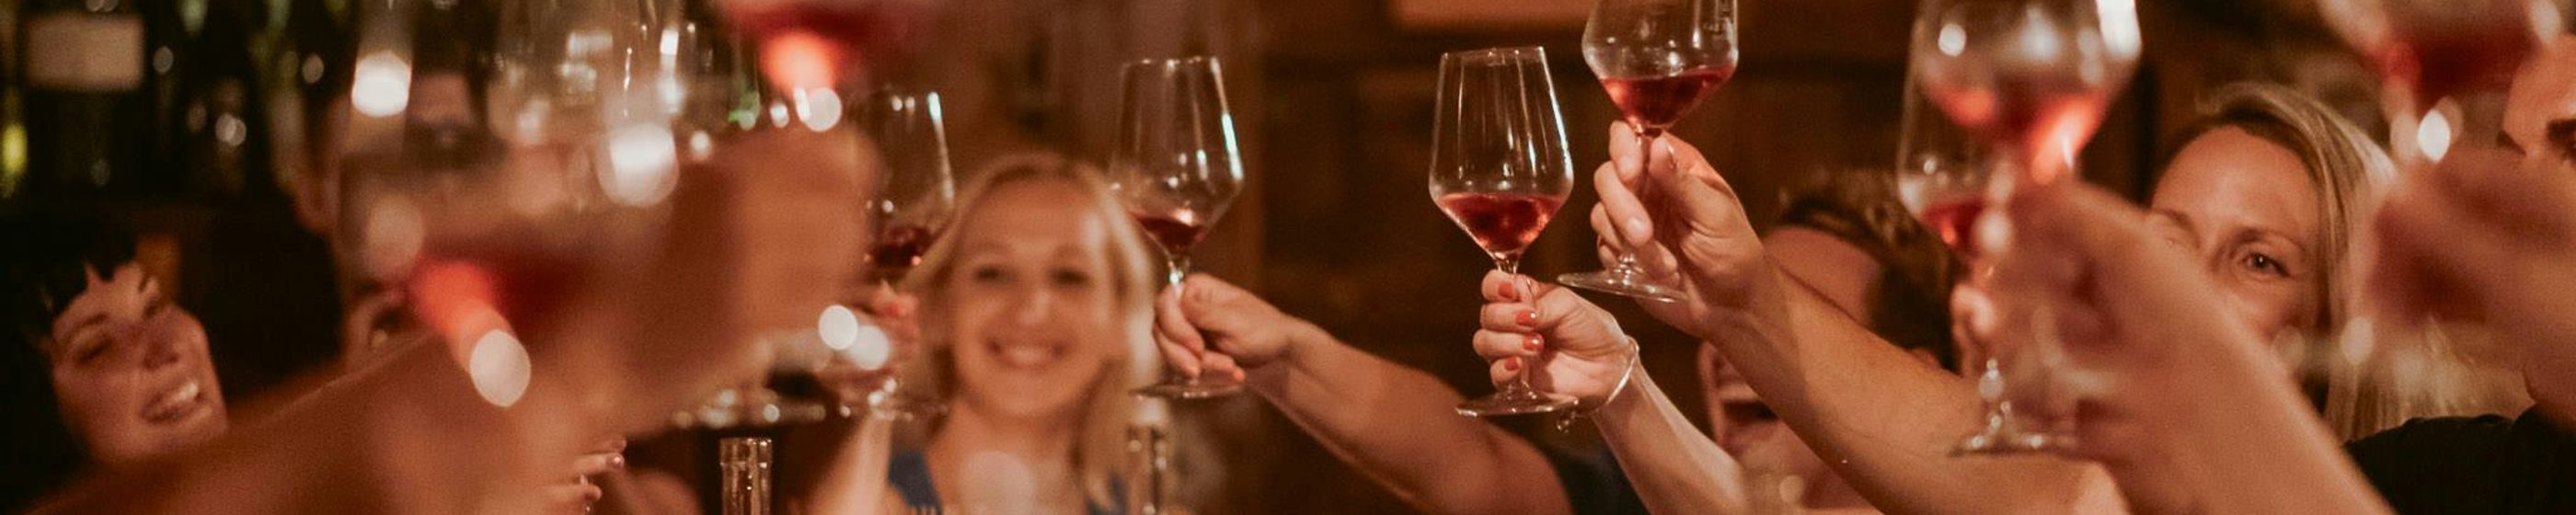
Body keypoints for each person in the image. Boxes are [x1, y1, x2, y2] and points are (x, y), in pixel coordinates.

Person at [1487, 80, 2513, 513]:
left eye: (2260, 262)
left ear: (2363, 315)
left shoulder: (2439, 485)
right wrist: (1647, 364)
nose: (2182, 290)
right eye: (2163, 246)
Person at [812, 154, 1167, 515]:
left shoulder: (1150, 508)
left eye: (1068, 276)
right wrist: (870, 405)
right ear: (935, 309)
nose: (1030, 308)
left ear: (1122, 320)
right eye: (993, 273)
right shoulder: (862, 502)